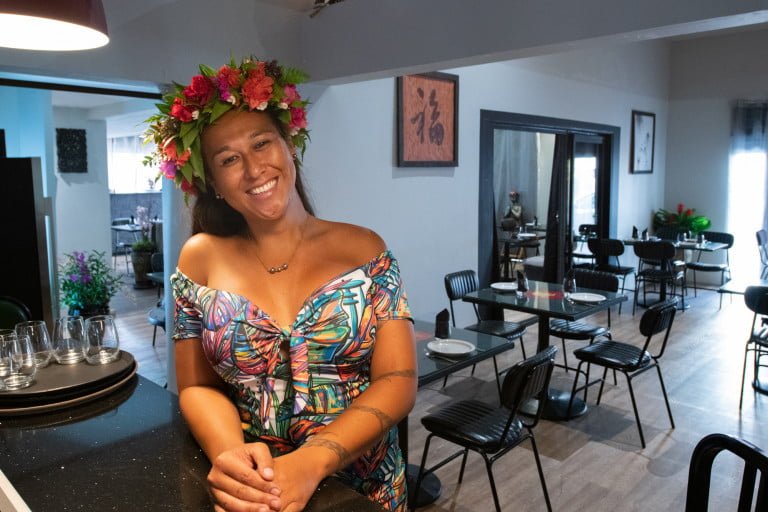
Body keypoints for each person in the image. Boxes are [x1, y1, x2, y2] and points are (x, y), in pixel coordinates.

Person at [145, 57, 417, 511]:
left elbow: (398, 378)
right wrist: (233, 462)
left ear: (289, 146)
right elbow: (197, 387)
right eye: (229, 159)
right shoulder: (200, 258)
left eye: (261, 144)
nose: (253, 169)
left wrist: (312, 461)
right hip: (255, 496)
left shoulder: (364, 250)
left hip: (364, 493)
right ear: (213, 182)